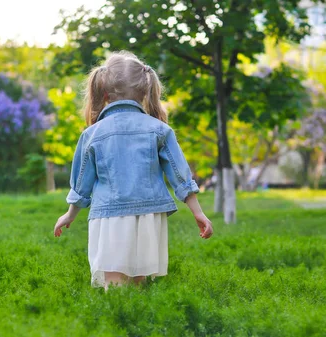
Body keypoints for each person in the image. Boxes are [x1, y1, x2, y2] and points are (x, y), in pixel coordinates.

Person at [53, 51, 213, 290]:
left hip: (109, 216)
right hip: (150, 215)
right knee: (140, 282)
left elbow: (82, 182)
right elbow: (180, 175)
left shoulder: (92, 133)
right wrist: (198, 212)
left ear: (105, 93)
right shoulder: (159, 129)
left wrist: (70, 214)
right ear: (144, 92)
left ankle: (117, 323)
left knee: (115, 283)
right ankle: (139, 324)